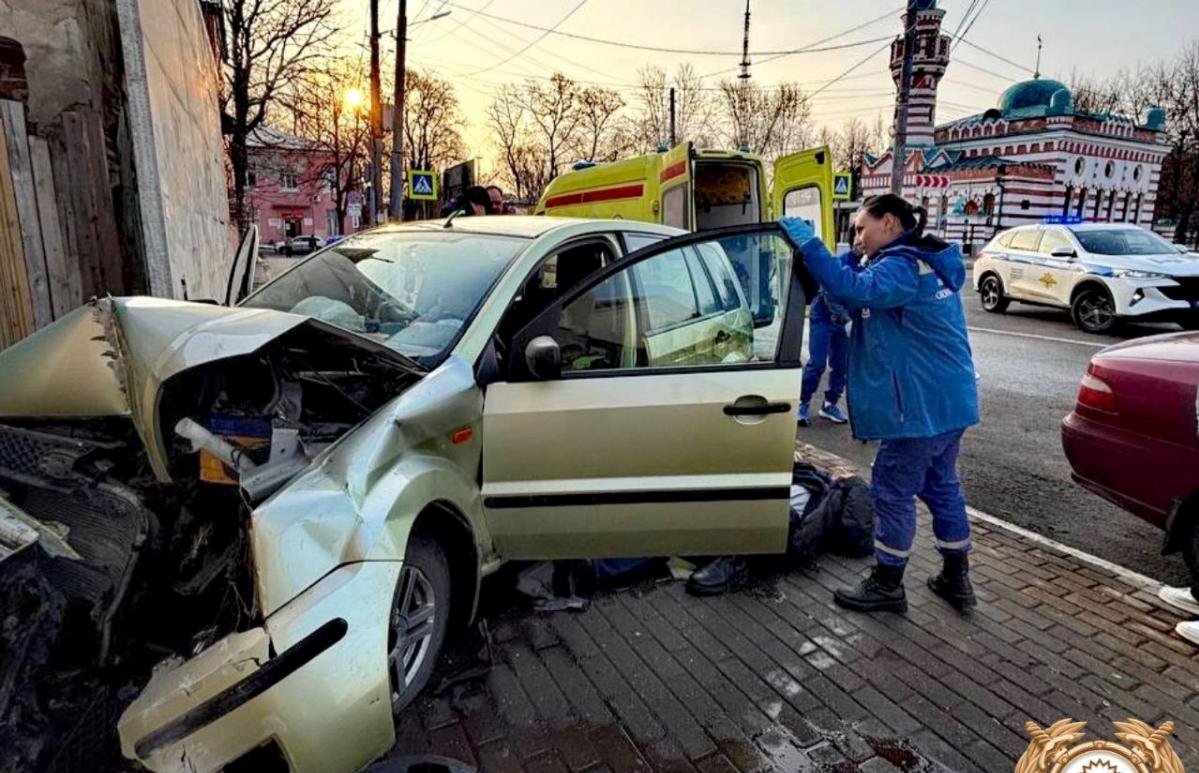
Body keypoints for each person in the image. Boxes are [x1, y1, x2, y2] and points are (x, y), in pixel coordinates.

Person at [779, 194, 980, 615]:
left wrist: (812, 248)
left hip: (919, 408)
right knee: (941, 483)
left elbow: (858, 289)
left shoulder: (901, 265)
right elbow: (861, 301)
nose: (857, 237)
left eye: (860, 227)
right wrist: (842, 278)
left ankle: (887, 583)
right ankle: (955, 576)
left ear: (888, 223)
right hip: (948, 404)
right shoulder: (925, 261)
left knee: (891, 488)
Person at [797, 281, 851, 427]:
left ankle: (830, 404)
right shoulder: (843, 259)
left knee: (841, 365)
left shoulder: (870, 263)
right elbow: (829, 293)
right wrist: (847, 319)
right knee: (818, 363)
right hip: (823, 316)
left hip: (845, 318)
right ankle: (803, 402)